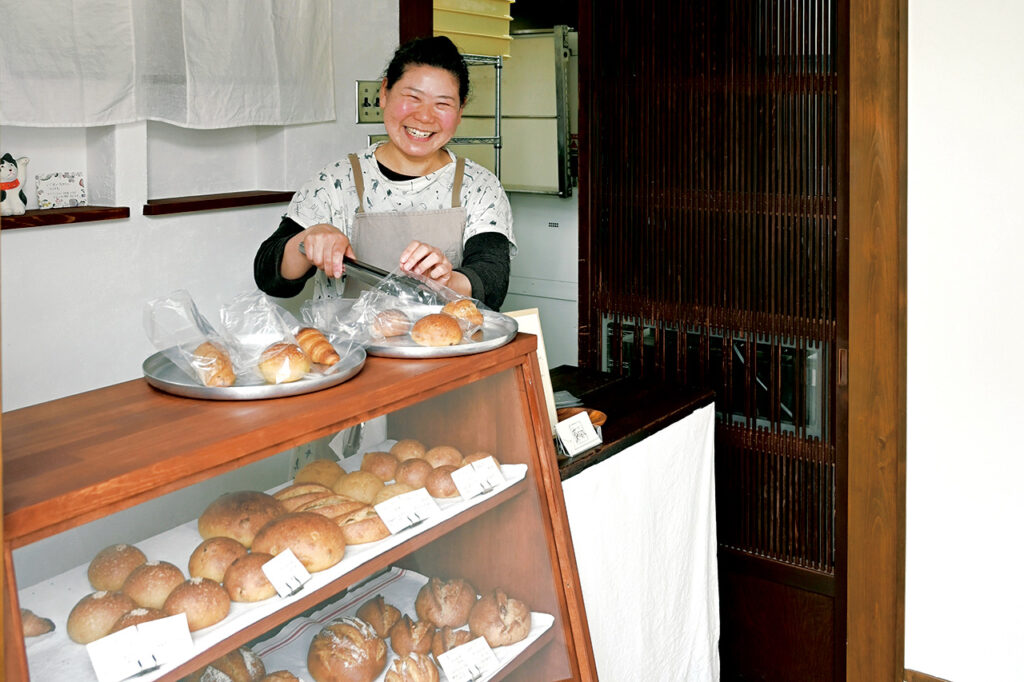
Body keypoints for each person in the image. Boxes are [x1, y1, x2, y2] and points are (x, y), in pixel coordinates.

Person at [254, 36, 515, 311]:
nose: (425, 117)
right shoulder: (335, 182)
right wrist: (307, 241)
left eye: (443, 104)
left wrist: (447, 281)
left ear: (460, 111)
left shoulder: (479, 186)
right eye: (413, 97)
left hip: (445, 349)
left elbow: (493, 279)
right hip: (350, 351)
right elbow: (268, 277)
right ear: (384, 93)